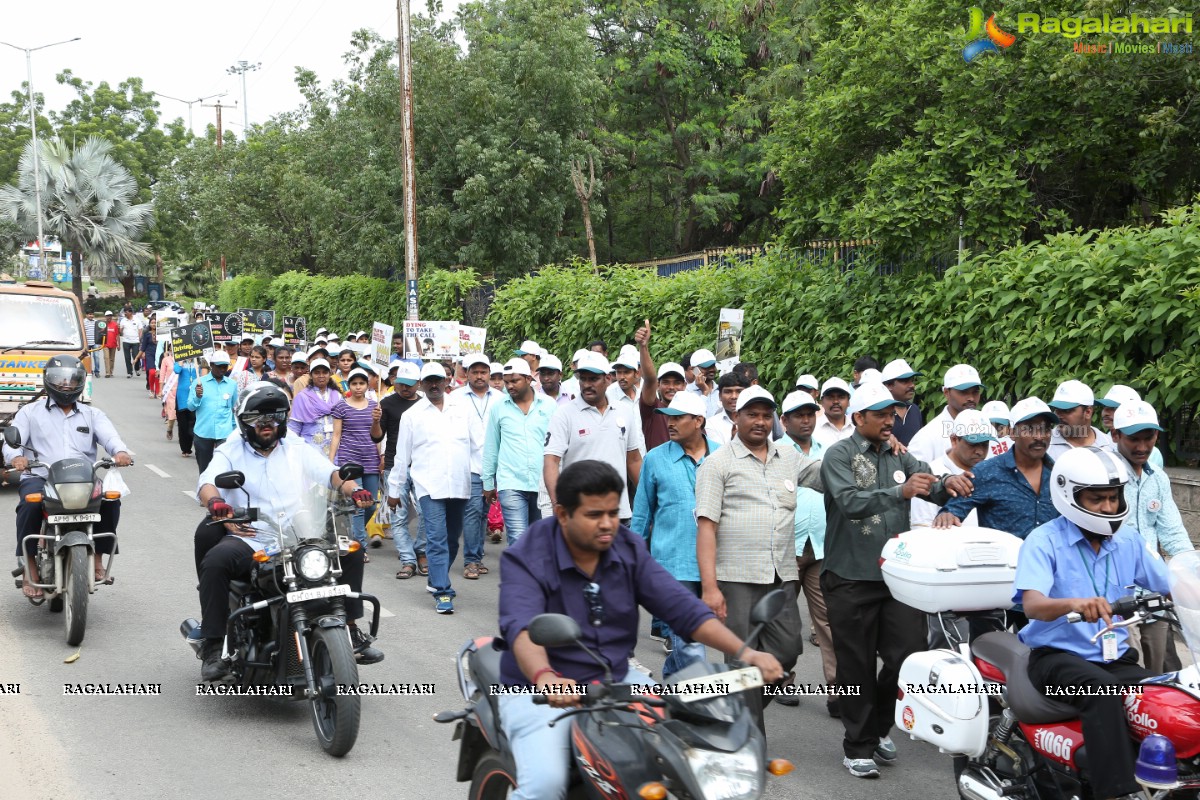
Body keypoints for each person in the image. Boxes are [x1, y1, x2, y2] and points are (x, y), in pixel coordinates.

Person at [496, 459, 785, 800]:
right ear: (562, 514)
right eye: (593, 515)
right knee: (544, 785)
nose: (607, 525)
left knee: (686, 757)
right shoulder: (526, 555)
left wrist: (746, 652)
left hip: (617, 681)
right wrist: (545, 676)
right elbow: (523, 625)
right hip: (540, 693)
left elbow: (682, 608)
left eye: (612, 512)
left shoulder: (627, 547)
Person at [819, 382, 973, 778]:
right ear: (859, 418)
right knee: (854, 666)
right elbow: (850, 503)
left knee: (907, 656)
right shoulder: (838, 454)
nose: (890, 422)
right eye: (882, 415)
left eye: (893, 414)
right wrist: (901, 492)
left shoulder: (901, 453)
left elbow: (931, 484)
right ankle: (857, 746)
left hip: (895, 576)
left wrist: (947, 486)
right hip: (849, 576)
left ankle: (877, 728)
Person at [194, 382, 382, 681]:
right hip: (254, 537)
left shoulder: (295, 446)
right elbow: (207, 483)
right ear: (245, 422)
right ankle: (214, 645)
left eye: (273, 417)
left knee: (351, 552)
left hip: (300, 536)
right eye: (257, 418)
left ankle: (350, 628)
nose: (266, 424)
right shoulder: (231, 449)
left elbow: (330, 473)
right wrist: (216, 502)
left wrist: (354, 489)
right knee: (216, 562)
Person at [1014, 447, 1170, 800]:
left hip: (1114, 658)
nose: (1107, 507)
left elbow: (1171, 584)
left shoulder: (1128, 539)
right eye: (1097, 498)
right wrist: (1074, 603)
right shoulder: (1044, 541)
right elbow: (1033, 605)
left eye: (1113, 497)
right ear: (1069, 496)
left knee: (1166, 694)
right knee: (1100, 691)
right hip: (1056, 660)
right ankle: (1115, 793)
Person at [695, 385, 825, 733]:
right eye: (752, 414)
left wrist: (875, 453)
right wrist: (710, 587)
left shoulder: (790, 457)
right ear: (735, 417)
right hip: (736, 578)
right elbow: (706, 527)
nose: (760, 422)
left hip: (781, 575)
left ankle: (732, 715)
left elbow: (830, 476)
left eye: (767, 415)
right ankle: (748, 738)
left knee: (787, 650)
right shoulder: (717, 463)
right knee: (740, 662)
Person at [3, 356, 133, 598]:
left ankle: (96, 559)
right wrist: (16, 458)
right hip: (41, 476)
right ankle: (29, 566)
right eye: (60, 380)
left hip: (82, 478)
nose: (66, 386)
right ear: (48, 381)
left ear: (80, 383)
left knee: (111, 500)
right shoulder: (30, 413)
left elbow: (111, 438)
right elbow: (13, 444)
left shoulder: (92, 415)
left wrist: (120, 452)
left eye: (72, 381)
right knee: (29, 503)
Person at [630, 392, 719, 678]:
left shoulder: (722, 456)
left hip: (716, 563)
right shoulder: (655, 459)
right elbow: (642, 513)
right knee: (689, 641)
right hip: (672, 562)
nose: (670, 422)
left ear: (698, 421)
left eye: (678, 417)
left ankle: (672, 690)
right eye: (668, 416)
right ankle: (700, 704)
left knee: (688, 641)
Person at [1108, 401, 1194, 673]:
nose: (1142, 447)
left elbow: (1173, 534)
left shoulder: (1157, 477)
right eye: (1134, 439)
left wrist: (1191, 573)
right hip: (1114, 593)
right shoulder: (1103, 474)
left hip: (1154, 593)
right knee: (1127, 671)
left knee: (1159, 673)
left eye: (1149, 438)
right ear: (1115, 435)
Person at [386, 363, 477, 614]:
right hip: (428, 486)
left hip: (460, 483)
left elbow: (478, 446)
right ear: (421, 384)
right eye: (429, 381)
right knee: (436, 539)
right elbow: (401, 456)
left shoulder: (463, 410)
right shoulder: (412, 415)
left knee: (451, 540)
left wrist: (488, 480)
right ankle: (443, 591)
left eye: (438, 380)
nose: (434, 385)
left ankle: (436, 576)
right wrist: (394, 491)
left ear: (447, 381)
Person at [775, 389, 839, 716]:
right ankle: (782, 678)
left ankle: (838, 689)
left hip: (821, 545)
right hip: (786, 547)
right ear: (784, 421)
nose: (806, 419)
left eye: (810, 414)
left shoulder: (827, 451)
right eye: (799, 415)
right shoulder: (774, 453)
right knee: (784, 619)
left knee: (828, 618)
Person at [934, 398, 1060, 539]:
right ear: (1012, 433)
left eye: (1045, 429)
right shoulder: (986, 473)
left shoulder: (1058, 476)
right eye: (1029, 429)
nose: (1039, 437)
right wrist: (947, 516)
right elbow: (952, 512)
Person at [544, 351, 643, 525]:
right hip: (579, 514)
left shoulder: (624, 412)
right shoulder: (564, 415)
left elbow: (634, 460)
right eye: (583, 379)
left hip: (618, 514)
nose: (587, 384)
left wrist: (647, 501)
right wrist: (558, 503)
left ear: (607, 379)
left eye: (593, 379)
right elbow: (551, 462)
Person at [482, 358, 557, 545]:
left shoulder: (549, 406)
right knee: (517, 538)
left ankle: (536, 574)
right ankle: (520, 573)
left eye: (514, 381)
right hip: (511, 482)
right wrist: (488, 482)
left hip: (543, 482)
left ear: (528, 379)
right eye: (506, 382)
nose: (509, 386)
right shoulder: (499, 408)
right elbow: (492, 445)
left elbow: (558, 445)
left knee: (541, 538)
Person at [450, 353, 505, 579]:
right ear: (467, 373)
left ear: (489, 374)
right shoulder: (455, 397)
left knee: (484, 512)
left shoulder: (500, 398)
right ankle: (471, 560)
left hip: (496, 465)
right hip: (468, 464)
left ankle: (478, 556)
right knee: (473, 512)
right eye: (475, 372)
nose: (480, 376)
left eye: (484, 372)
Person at [372, 362, 427, 578]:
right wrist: (375, 421)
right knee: (398, 516)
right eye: (401, 384)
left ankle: (421, 550)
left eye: (410, 385)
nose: (405, 388)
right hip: (395, 466)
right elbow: (376, 436)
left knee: (427, 513)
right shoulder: (385, 404)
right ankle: (408, 559)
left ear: (418, 384)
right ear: (395, 382)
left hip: (422, 466)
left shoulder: (425, 405)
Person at [909, 409, 994, 527]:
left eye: (985, 444)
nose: (980, 451)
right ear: (954, 440)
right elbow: (922, 528)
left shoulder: (992, 473)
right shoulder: (931, 474)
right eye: (973, 444)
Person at [330, 368, 381, 557]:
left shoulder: (375, 406)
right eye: (354, 383)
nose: (358, 387)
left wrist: (381, 457)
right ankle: (361, 548)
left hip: (371, 459)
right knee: (359, 504)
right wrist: (330, 463)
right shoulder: (341, 406)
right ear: (349, 386)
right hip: (349, 460)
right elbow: (336, 435)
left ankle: (353, 536)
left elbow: (378, 436)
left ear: (367, 386)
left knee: (372, 505)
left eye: (361, 383)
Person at [906, 364, 984, 464]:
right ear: (946, 393)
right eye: (964, 392)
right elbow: (915, 476)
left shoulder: (987, 429)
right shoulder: (927, 437)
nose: (971, 398)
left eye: (975, 392)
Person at [187, 351, 238, 473]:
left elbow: (234, 408)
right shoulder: (199, 383)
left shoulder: (232, 385)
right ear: (211, 365)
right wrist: (198, 397)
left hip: (224, 434)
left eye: (225, 366)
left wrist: (234, 430)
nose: (222, 369)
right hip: (203, 432)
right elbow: (190, 407)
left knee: (224, 469)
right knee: (204, 470)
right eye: (219, 366)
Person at [287, 359, 340, 459]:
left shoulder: (337, 395)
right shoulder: (302, 397)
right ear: (310, 375)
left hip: (335, 451)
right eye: (317, 373)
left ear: (330, 374)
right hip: (310, 450)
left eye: (325, 372)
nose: (321, 376)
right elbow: (294, 427)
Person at [1048, 380, 1112, 458]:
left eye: (1066, 410)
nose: (1058, 415)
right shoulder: (1045, 446)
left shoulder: (1110, 445)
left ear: (1088, 412)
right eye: (1056, 409)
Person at [880, 359, 924, 445]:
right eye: (905, 381)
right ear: (889, 385)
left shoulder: (914, 409)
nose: (912, 385)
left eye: (912, 381)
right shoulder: (879, 413)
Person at [704, 373, 749, 447]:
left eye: (739, 391)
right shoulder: (711, 424)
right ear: (720, 396)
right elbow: (717, 454)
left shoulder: (759, 420)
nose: (734, 396)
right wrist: (734, 441)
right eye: (728, 392)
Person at [812, 377, 854, 448]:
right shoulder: (812, 430)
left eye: (841, 397)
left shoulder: (856, 429)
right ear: (822, 402)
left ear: (848, 402)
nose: (836, 401)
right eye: (830, 397)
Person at [171, 356, 200, 458]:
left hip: (195, 397)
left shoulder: (199, 362)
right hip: (182, 397)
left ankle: (197, 447)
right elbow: (176, 370)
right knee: (183, 425)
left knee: (194, 424)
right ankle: (185, 449)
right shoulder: (180, 362)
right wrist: (181, 361)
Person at [685, 348, 721, 416]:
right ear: (694, 370)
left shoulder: (721, 390)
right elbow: (696, 417)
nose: (712, 369)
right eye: (706, 367)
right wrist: (705, 392)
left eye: (713, 366)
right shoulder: (687, 392)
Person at [119, 308, 141, 378]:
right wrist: (120, 330)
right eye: (125, 312)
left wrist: (139, 339)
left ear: (131, 313)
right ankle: (129, 372)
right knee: (127, 357)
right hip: (126, 341)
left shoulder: (137, 319)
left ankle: (137, 369)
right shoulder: (123, 320)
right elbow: (120, 331)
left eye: (126, 312)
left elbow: (140, 329)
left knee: (136, 356)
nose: (125, 314)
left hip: (135, 341)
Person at [101, 310, 119, 378]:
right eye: (108, 316)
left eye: (110, 316)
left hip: (113, 344)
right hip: (105, 344)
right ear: (105, 316)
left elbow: (117, 335)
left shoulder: (115, 324)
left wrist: (118, 344)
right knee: (106, 358)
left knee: (112, 359)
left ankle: (111, 372)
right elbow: (99, 333)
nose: (109, 317)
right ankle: (107, 373)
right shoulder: (103, 324)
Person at [84, 310, 99, 377]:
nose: (91, 316)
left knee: (96, 357)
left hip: (95, 342)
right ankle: (89, 371)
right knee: (87, 358)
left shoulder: (96, 322)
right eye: (89, 314)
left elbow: (99, 332)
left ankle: (97, 371)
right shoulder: (83, 322)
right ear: (86, 315)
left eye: (92, 314)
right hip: (87, 343)